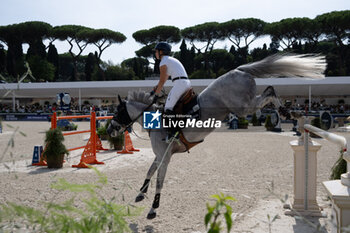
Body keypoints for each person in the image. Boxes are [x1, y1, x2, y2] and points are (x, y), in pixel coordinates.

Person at [152, 42, 192, 142]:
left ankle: (174, 133)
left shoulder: (163, 61)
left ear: (161, 52)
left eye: (156, 51)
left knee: (167, 108)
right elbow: (164, 79)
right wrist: (157, 88)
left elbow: (162, 81)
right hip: (185, 82)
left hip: (179, 83)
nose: (155, 53)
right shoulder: (169, 60)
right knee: (173, 106)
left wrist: (156, 95)